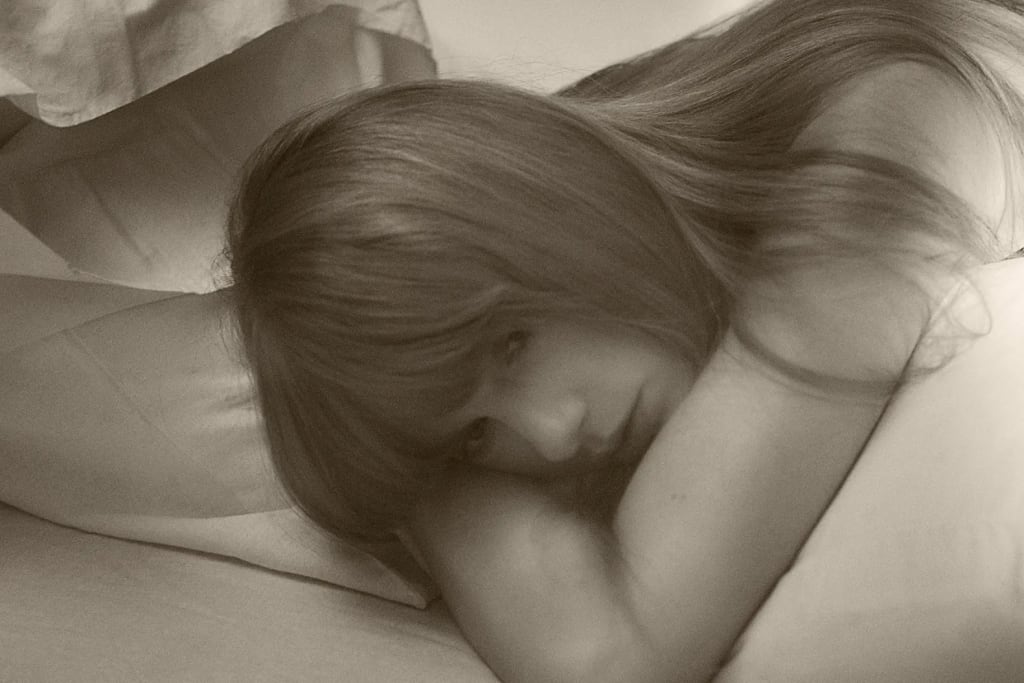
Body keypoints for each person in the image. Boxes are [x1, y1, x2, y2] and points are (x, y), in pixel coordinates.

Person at [225, 0, 1024, 680]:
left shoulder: (882, 124)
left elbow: (610, 655)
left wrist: (408, 469)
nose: (553, 433)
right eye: (477, 438)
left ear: (563, 198)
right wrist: (389, 448)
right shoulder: (635, 147)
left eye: (514, 345)